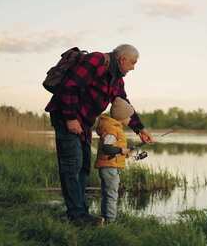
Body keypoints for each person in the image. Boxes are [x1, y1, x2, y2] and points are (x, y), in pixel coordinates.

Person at [45, 44, 153, 225]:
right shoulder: (96, 61)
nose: (133, 67)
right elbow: (68, 86)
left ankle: (79, 213)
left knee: (83, 166)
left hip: (84, 124)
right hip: (66, 117)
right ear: (122, 59)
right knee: (73, 165)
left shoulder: (117, 80)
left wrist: (140, 129)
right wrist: (71, 118)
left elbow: (123, 104)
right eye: (133, 63)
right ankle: (77, 216)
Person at [94, 97, 135, 223]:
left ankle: (105, 218)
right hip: (110, 167)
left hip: (109, 166)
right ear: (122, 117)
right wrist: (121, 151)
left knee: (107, 194)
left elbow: (113, 148)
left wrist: (126, 152)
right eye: (129, 116)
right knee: (111, 195)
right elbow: (107, 148)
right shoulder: (112, 129)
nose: (130, 119)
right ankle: (111, 221)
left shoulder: (113, 127)